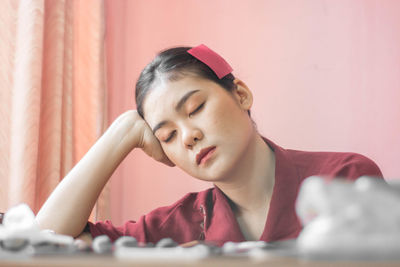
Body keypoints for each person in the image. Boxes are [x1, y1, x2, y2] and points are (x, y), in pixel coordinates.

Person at [35, 44, 383, 246]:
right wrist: (122, 132)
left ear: (241, 94)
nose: (188, 136)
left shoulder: (344, 179)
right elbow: (44, 239)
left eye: (195, 108)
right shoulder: (179, 224)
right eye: (167, 136)